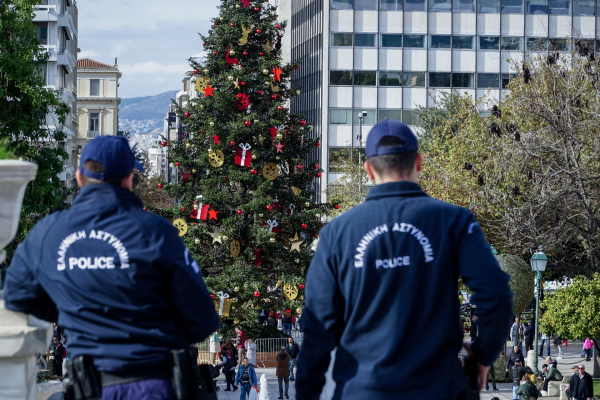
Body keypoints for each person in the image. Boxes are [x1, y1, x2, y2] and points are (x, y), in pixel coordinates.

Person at [295, 120, 514, 399]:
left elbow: (317, 328)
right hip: (438, 388)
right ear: (419, 162)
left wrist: (307, 394)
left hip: (361, 390)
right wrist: (482, 356)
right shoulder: (453, 221)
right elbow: (496, 292)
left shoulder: (336, 234)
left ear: (369, 169)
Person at [3, 136, 219, 400]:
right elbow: (203, 320)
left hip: (90, 389)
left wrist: (72, 305)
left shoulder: (47, 234)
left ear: (80, 178)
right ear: (128, 179)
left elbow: (17, 297)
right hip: (157, 386)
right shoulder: (156, 232)